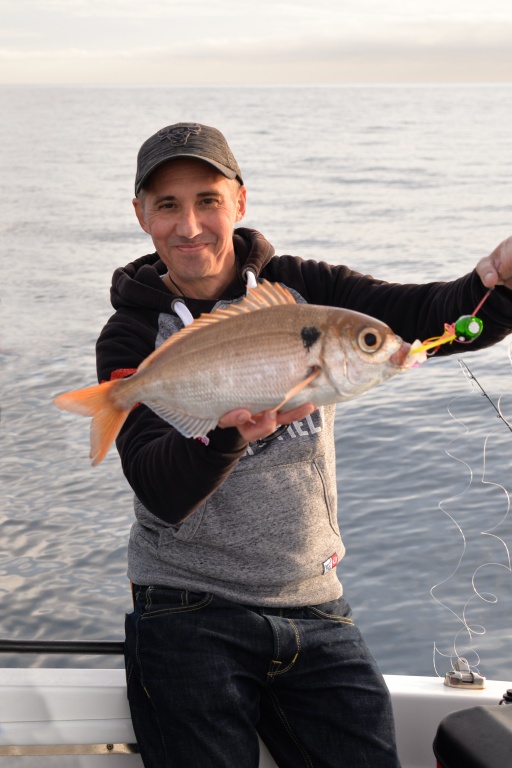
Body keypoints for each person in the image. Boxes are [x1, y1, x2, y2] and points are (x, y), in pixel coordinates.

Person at [96, 121, 512, 768]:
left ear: (239, 199)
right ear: (141, 215)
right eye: (167, 205)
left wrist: (497, 280)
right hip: (185, 607)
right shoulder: (128, 338)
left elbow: (431, 315)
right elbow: (160, 487)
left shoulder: (307, 289)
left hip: (314, 603)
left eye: (207, 199)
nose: (189, 225)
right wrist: (228, 435)